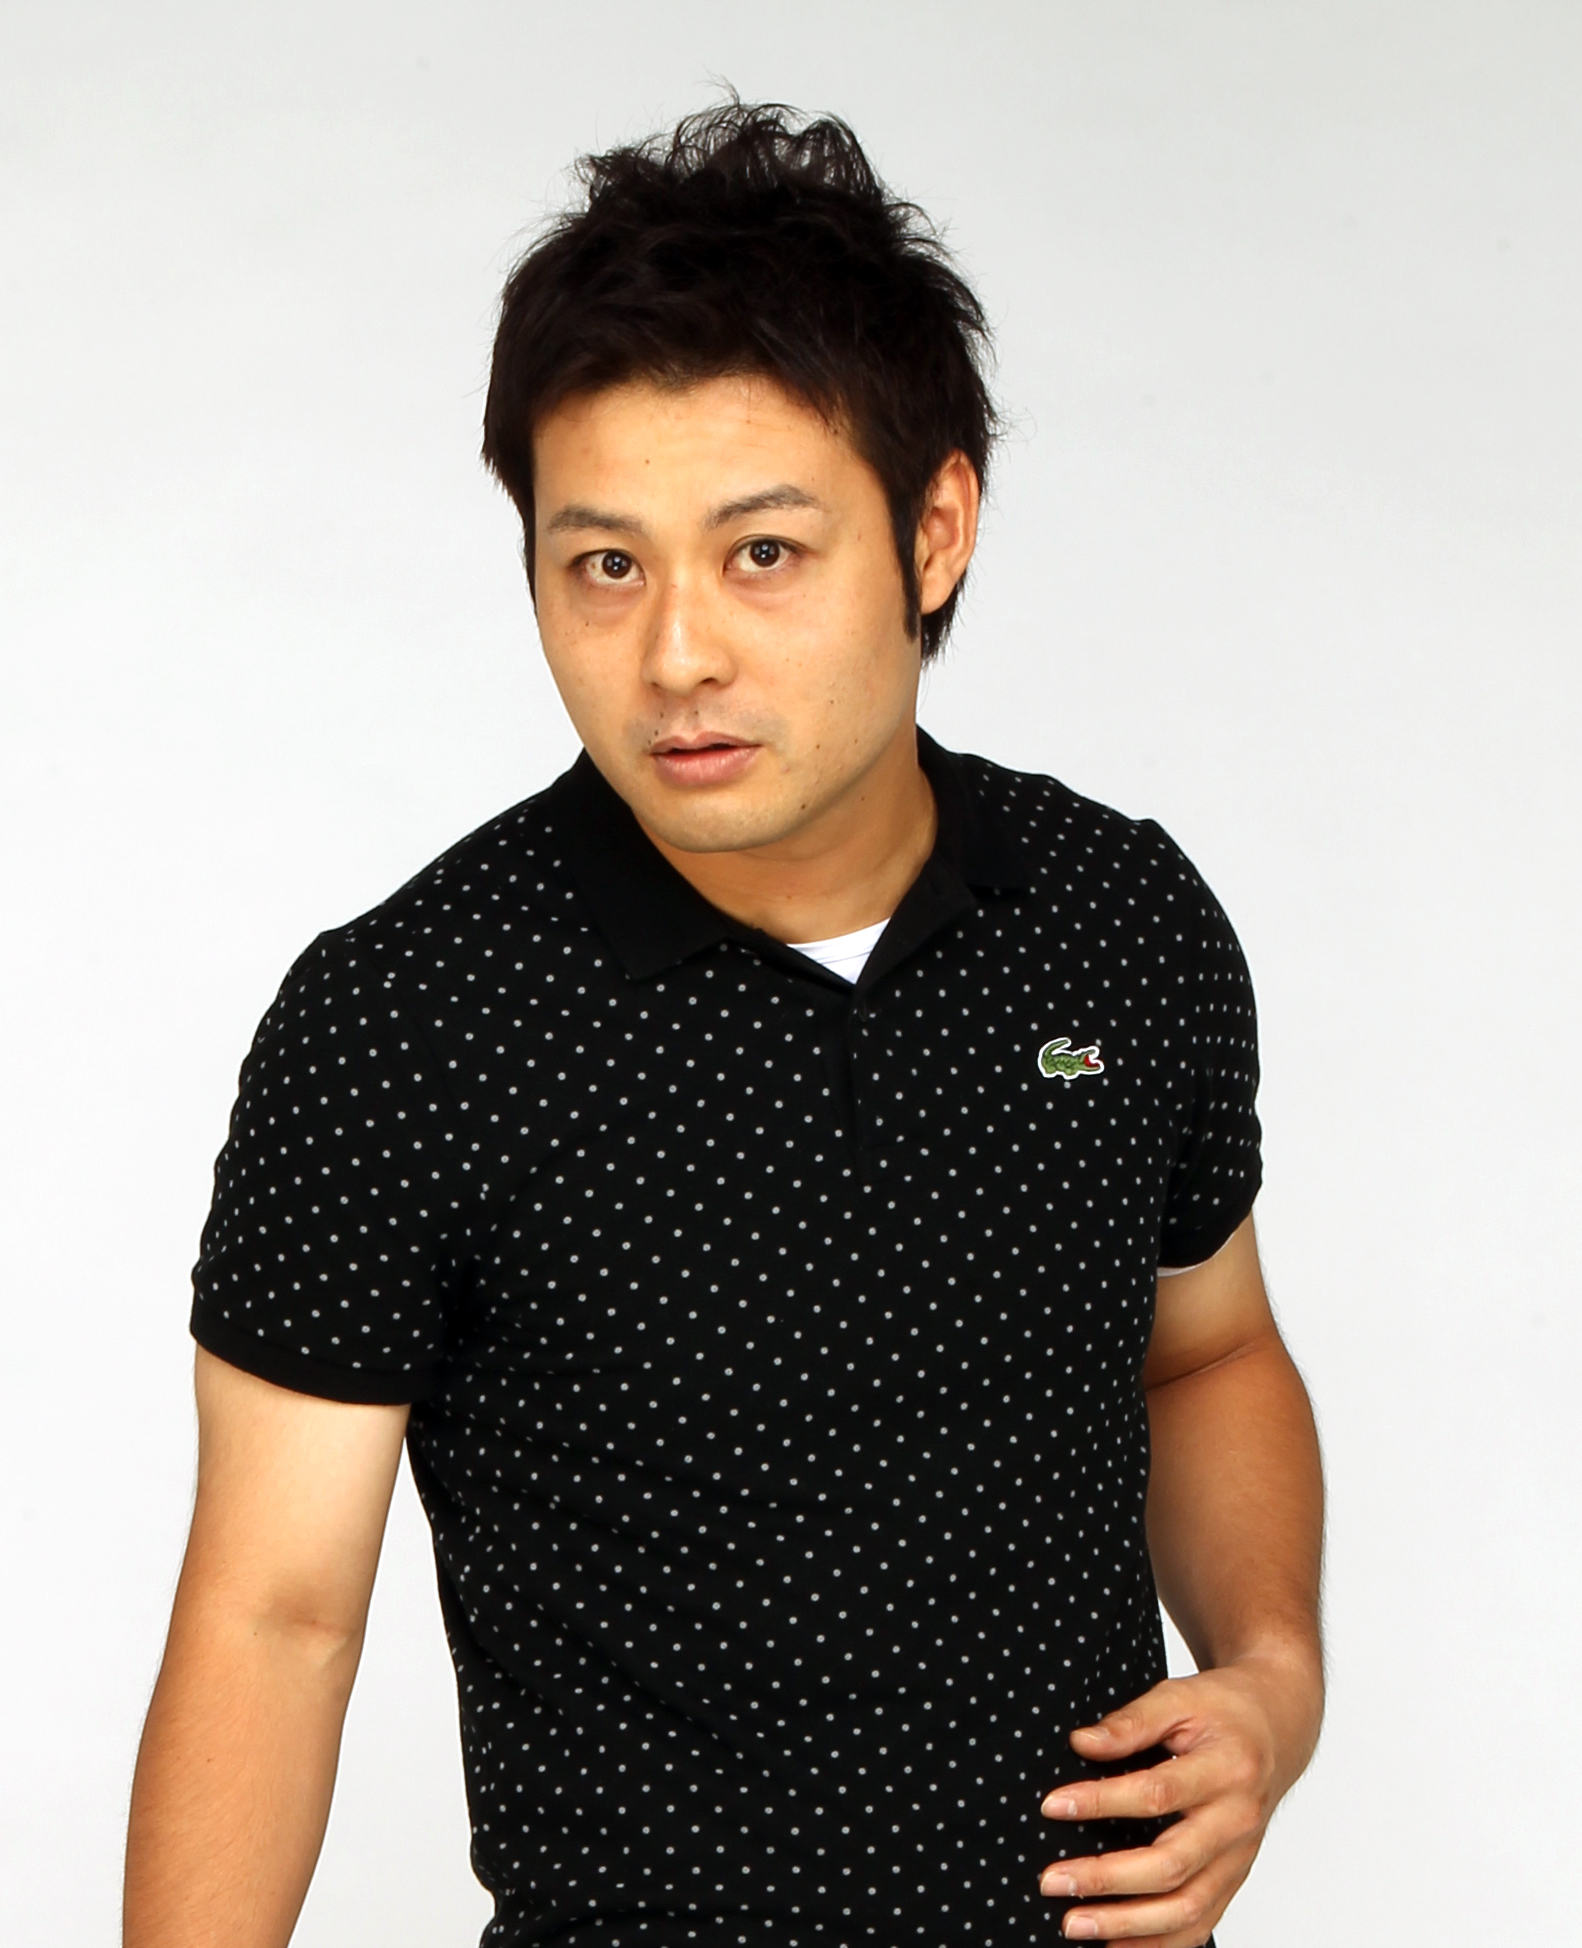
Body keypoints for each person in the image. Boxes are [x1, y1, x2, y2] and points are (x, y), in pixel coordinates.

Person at [124, 102, 1323, 1948]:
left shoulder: (1113, 920)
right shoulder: (406, 1024)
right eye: (603, 564)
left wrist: (1270, 1678)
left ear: (933, 530)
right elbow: (272, 1621)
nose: (675, 650)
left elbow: (1207, 1351)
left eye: (761, 552)